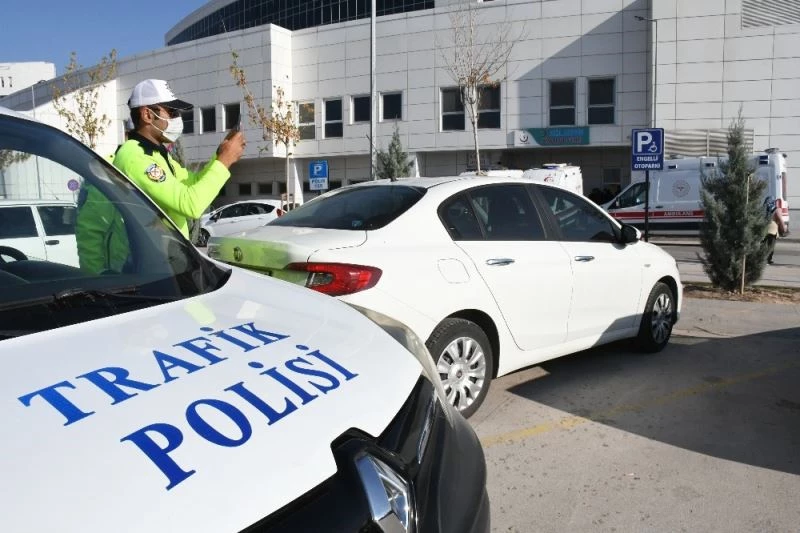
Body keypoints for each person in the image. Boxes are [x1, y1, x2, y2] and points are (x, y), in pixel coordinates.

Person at [113, 79, 246, 239]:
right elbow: (191, 205)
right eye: (172, 113)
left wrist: (219, 155)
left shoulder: (158, 154)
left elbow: (193, 182)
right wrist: (224, 161)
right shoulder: (136, 157)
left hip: (166, 256)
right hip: (146, 259)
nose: (177, 119)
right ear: (147, 115)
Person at [763, 197, 787, 265]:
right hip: (772, 229)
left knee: (764, 245)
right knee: (771, 246)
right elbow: (780, 219)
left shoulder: (765, 209)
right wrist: (784, 228)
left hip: (764, 228)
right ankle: (768, 260)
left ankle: (762, 259)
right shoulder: (776, 209)